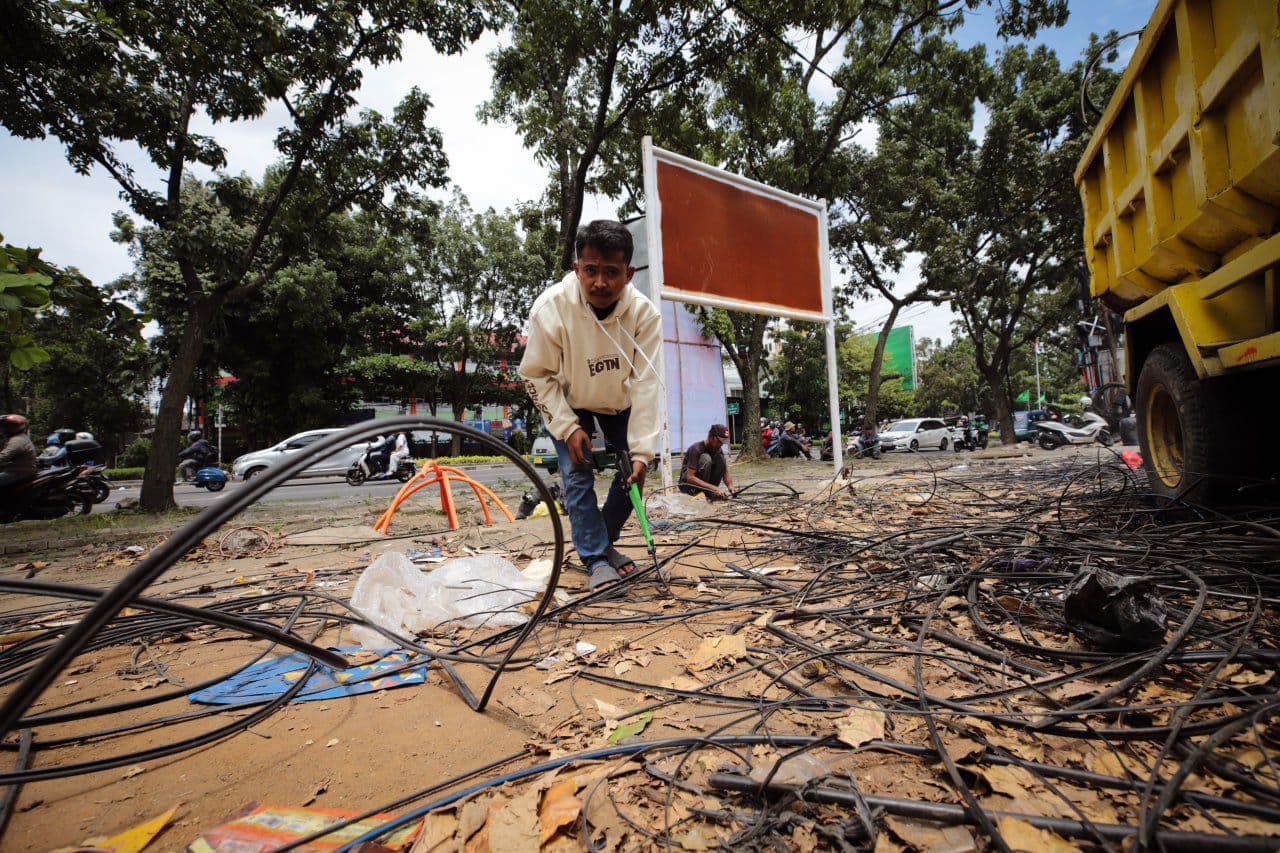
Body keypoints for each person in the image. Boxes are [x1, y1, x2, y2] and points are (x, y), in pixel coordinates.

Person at [519, 220, 662, 591]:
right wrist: (568, 427)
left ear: (629, 274)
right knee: (578, 473)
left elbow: (647, 384)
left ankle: (603, 540)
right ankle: (596, 558)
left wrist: (642, 452)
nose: (600, 283)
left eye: (611, 272)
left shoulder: (644, 315)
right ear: (576, 268)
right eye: (591, 270)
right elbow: (535, 374)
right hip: (569, 399)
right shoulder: (550, 309)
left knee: (633, 473)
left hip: (619, 402)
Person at [679, 424, 735, 500]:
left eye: (723, 442)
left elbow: (725, 472)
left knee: (721, 459)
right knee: (706, 458)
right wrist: (713, 488)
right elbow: (690, 478)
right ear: (711, 437)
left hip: (706, 487)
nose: (721, 444)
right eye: (719, 441)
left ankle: (708, 493)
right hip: (688, 486)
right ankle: (701, 492)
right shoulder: (696, 449)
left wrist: (730, 486)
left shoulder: (718, 449)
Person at [0, 415, 38, 488]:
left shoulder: (17, 440)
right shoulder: (14, 438)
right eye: (3, 426)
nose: (3, 428)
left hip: (18, 472)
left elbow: (4, 455)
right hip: (17, 471)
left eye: (7, 426)